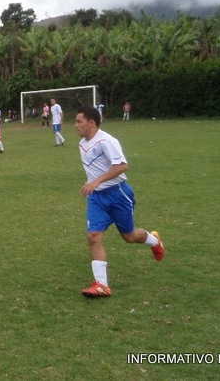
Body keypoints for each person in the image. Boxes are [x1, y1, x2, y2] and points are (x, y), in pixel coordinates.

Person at [74, 106, 164, 297]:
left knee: (129, 236)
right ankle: (102, 284)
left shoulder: (107, 141)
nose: (76, 125)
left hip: (118, 194)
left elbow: (122, 166)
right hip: (97, 198)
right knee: (93, 236)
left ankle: (155, 241)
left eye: (79, 121)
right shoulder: (82, 144)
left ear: (91, 122)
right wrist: (92, 183)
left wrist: (97, 181)